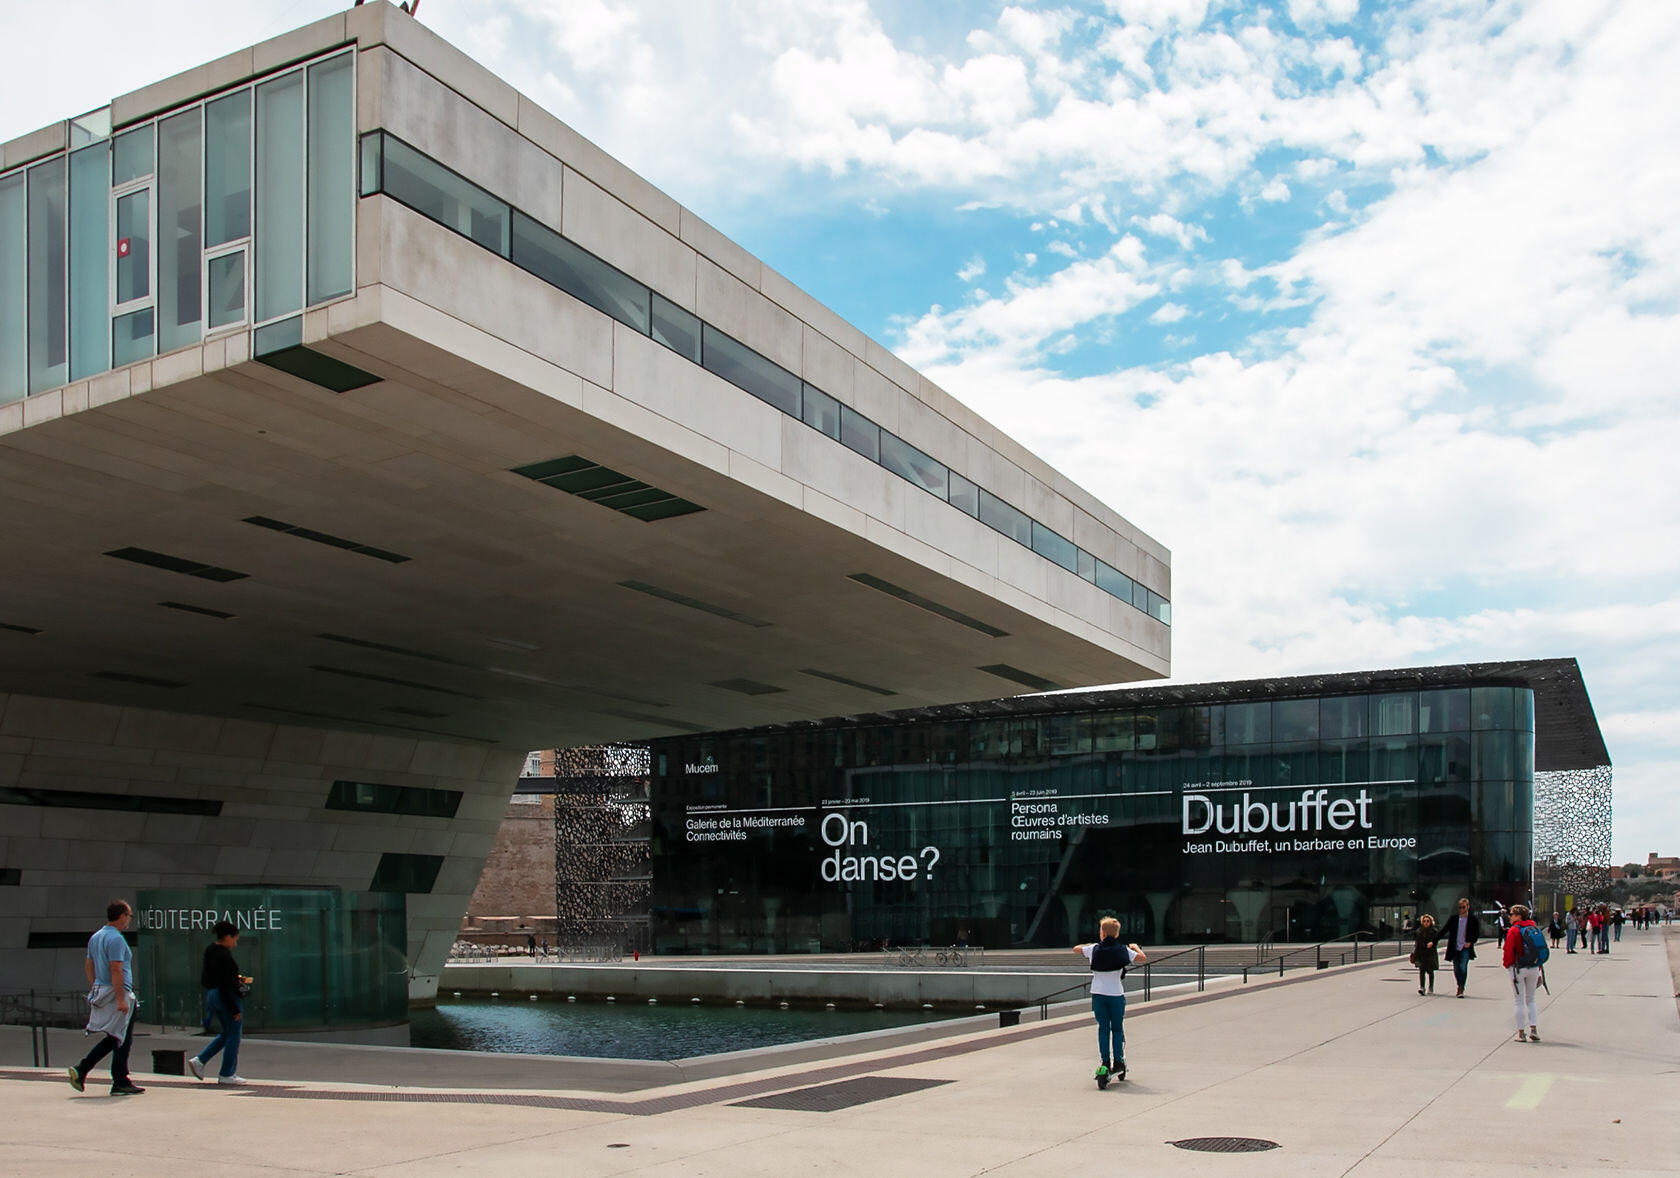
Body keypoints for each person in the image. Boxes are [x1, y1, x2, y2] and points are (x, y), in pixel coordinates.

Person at [67, 900, 144, 1096]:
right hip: (118, 990)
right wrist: (120, 998)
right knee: (120, 1037)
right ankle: (117, 1080)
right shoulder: (116, 939)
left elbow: (88, 965)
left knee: (115, 1036)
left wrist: (96, 987)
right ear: (122, 916)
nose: (129, 920)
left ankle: (86, 1070)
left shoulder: (96, 937)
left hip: (103, 988)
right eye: (129, 916)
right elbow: (116, 969)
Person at [1074, 917, 1147, 1088]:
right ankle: (1119, 1061)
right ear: (1117, 933)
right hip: (1116, 995)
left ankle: (1105, 1062)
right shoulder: (1123, 950)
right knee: (1117, 1028)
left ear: (1103, 932)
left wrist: (1091, 944)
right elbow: (1142, 958)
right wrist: (1134, 947)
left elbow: (1075, 949)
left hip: (1099, 995)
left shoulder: (1094, 949)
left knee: (1103, 1028)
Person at [188, 921, 249, 1085]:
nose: (235, 944)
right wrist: (234, 1007)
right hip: (225, 996)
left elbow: (209, 978)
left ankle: (200, 1061)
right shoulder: (224, 955)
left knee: (226, 1033)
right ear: (228, 937)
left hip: (212, 994)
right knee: (234, 1035)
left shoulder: (210, 950)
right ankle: (227, 1073)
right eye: (235, 939)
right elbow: (225, 983)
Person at [1502, 903, 1543, 1042]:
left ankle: (1521, 1033)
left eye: (1512, 914)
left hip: (1518, 968)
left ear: (1518, 916)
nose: (1510, 917)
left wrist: (1507, 965)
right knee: (1531, 999)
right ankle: (1534, 1029)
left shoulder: (1513, 930)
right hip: (1533, 967)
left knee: (1518, 1001)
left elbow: (1508, 950)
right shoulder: (1533, 927)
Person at [1441, 898, 1480, 998]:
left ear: (1468, 907)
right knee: (1456, 968)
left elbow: (1476, 933)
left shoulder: (1472, 919)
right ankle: (1459, 985)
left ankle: (1461, 988)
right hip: (1455, 947)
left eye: (1464, 907)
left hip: (1465, 947)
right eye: (1460, 907)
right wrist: (1433, 940)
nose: (1462, 909)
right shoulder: (1454, 918)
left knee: (1463, 968)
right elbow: (1444, 930)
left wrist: (1470, 942)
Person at [1411, 913, 1440, 994]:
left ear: (1431, 922)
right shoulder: (1419, 931)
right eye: (1424, 921)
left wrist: (1432, 943)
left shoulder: (1434, 931)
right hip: (1421, 953)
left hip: (1430, 953)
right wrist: (1415, 953)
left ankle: (1431, 987)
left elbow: (1436, 942)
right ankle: (1422, 987)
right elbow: (1417, 943)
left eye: (1428, 921)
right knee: (1422, 970)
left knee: (1430, 971)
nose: (1426, 922)